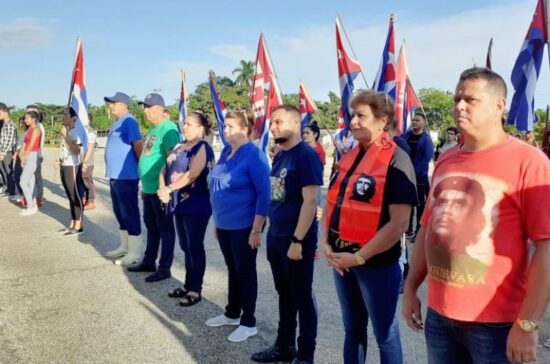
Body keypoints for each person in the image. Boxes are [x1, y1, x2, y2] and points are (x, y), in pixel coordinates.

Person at [403, 67, 550, 364]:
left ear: (499, 105)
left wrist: (527, 323)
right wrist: (410, 290)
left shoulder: (529, 161)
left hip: (495, 324)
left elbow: (546, 247)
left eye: (470, 99)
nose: (459, 106)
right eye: (457, 98)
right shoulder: (446, 158)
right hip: (440, 317)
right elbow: (426, 229)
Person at [321, 91, 417, 364]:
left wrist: (360, 256)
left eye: (361, 116)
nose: (352, 122)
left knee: (385, 335)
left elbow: (399, 223)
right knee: (352, 330)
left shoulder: (398, 159)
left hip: (375, 264)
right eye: (352, 115)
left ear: (382, 121)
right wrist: (324, 243)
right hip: (341, 261)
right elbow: (331, 201)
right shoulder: (347, 157)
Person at [252, 105, 322, 364]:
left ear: (295, 122)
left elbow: (311, 201)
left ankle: (305, 356)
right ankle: (284, 346)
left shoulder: (306, 156)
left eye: (279, 122)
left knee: (302, 297)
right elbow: (279, 195)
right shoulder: (281, 155)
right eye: (272, 123)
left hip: (296, 241)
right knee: (285, 294)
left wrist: (297, 240)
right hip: (276, 236)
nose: (273, 127)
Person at [206, 110, 270, 343]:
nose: (226, 130)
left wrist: (256, 229)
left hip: (245, 225)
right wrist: (217, 220)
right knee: (232, 269)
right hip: (225, 223)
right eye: (226, 126)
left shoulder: (254, 155)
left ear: (246, 129)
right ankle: (232, 312)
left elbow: (264, 194)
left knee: (245, 271)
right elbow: (216, 184)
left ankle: (248, 321)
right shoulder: (225, 151)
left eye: (232, 126)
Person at [158, 111, 215, 307]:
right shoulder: (179, 146)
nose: (185, 127)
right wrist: (162, 187)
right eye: (185, 124)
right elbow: (165, 167)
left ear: (201, 128)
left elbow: (193, 174)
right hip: (177, 203)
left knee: (194, 247)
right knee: (185, 246)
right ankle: (187, 283)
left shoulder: (202, 147)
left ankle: (195, 289)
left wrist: (169, 188)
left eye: (189, 124)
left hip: (195, 204)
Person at [128, 93, 180, 282]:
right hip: (148, 188)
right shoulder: (153, 129)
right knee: (152, 226)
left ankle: (164, 267)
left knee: (165, 228)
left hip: (160, 189)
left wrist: (166, 187)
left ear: (160, 109)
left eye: (149, 107)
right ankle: (149, 261)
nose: (145, 111)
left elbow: (173, 160)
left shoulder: (168, 129)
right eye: (145, 107)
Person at [103, 92, 144, 266]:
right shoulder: (116, 122)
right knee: (120, 213)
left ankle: (134, 252)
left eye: (113, 103)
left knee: (129, 212)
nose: (110, 106)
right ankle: (124, 246)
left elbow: (138, 144)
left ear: (123, 104)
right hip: (115, 175)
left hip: (126, 176)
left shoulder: (129, 121)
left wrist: (141, 168)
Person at [402, 113, 434, 239]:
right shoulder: (405, 136)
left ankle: (418, 232)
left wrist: (413, 171)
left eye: (417, 120)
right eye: (413, 120)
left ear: (424, 123)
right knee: (406, 203)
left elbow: (426, 158)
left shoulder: (426, 140)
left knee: (420, 205)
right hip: (405, 176)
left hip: (419, 177)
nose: (414, 122)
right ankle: (407, 229)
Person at [56, 108, 84, 235]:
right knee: (69, 195)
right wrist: (58, 160)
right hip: (64, 164)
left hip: (72, 165)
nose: (63, 117)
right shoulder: (67, 131)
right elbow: (63, 149)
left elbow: (76, 150)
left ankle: (79, 225)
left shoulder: (76, 132)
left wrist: (66, 135)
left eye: (66, 115)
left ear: (73, 117)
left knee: (75, 194)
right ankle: (73, 222)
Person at [18, 111, 42, 216]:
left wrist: (24, 157)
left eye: (27, 118)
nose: (25, 120)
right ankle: (31, 203)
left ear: (34, 119)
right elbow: (25, 143)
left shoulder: (37, 130)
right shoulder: (29, 130)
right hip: (26, 156)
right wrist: (20, 154)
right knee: (30, 181)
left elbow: (31, 145)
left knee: (23, 182)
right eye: (25, 118)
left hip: (32, 156)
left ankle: (30, 207)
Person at [25, 105, 45, 207]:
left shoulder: (38, 127)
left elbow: (34, 144)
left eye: (31, 112)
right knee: (29, 178)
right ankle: (30, 197)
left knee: (36, 177)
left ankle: (39, 198)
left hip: (36, 154)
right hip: (31, 155)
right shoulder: (30, 128)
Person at [0, 102, 17, 199]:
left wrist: (3, 153)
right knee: (4, 171)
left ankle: (12, 192)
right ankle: (8, 190)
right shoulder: (4, 124)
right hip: (3, 152)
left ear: (3, 111)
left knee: (9, 172)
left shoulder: (10, 124)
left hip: (7, 152)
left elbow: (9, 141)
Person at [82, 114, 97, 210]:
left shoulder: (90, 132)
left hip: (87, 162)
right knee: (81, 180)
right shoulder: (81, 131)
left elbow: (90, 148)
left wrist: (85, 161)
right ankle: (83, 198)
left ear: (89, 120)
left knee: (87, 180)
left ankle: (91, 201)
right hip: (79, 160)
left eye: (85, 118)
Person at [12, 117, 28, 203]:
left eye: (23, 122)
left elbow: (22, 146)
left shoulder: (28, 133)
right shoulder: (23, 133)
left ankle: (24, 195)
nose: (21, 124)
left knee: (20, 177)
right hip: (18, 157)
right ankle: (21, 194)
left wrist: (16, 153)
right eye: (20, 123)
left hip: (22, 157)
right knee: (16, 176)